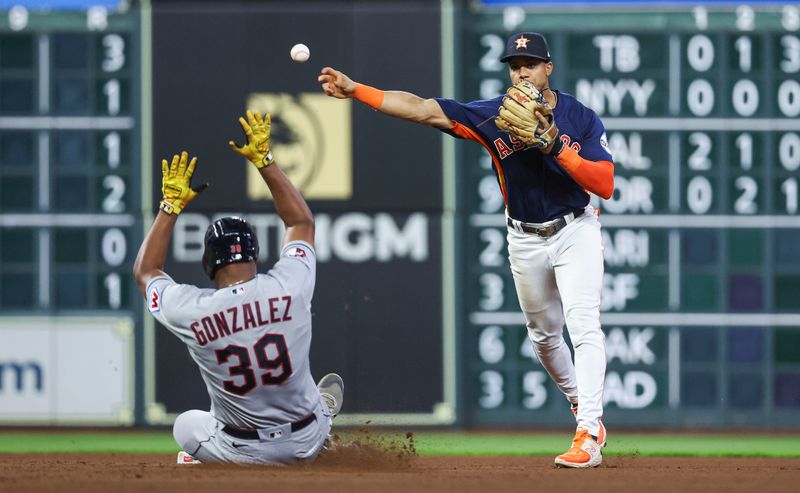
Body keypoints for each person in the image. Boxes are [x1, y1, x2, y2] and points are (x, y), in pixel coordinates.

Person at [319, 32, 613, 468]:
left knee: (584, 324)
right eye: (514, 65)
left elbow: (604, 184)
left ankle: (588, 431)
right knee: (545, 340)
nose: (521, 71)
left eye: (530, 64)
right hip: (524, 237)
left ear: (548, 68)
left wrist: (554, 146)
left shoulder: (579, 116)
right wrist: (356, 90)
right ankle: (578, 401)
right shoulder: (494, 115)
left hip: (576, 230)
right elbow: (422, 109)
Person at [133, 111, 344, 465]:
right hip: (307, 440)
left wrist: (169, 208)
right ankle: (321, 417)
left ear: (209, 262)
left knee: (185, 425)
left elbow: (146, 271)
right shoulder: (290, 284)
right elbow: (301, 221)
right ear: (254, 254)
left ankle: (207, 461)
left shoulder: (191, 310)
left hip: (241, 453)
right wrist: (266, 162)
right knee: (308, 401)